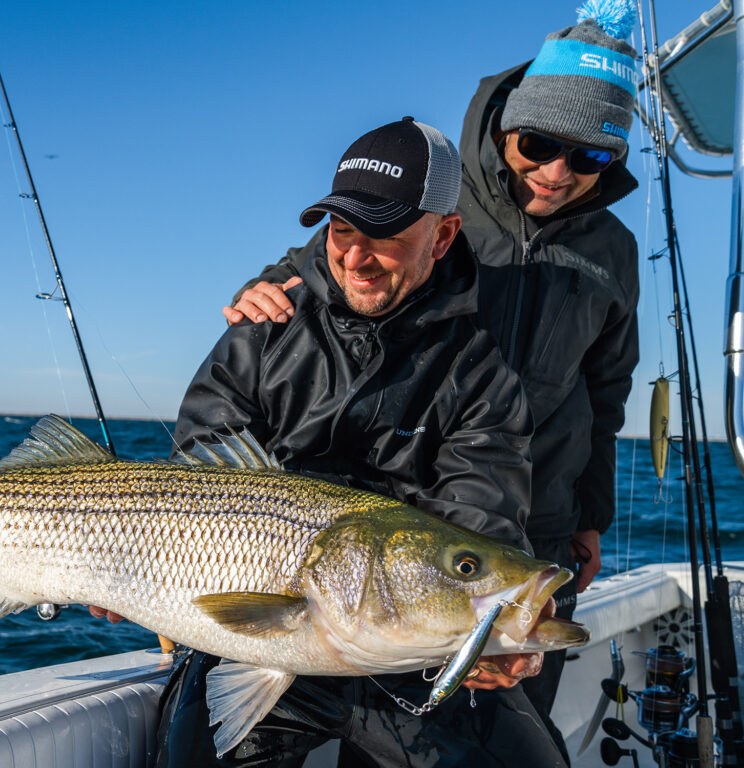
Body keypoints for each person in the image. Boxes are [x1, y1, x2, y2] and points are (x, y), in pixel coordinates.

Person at [223, 7, 640, 752]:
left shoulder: (615, 251)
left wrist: (590, 515)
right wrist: (262, 288)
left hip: (534, 526)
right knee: (383, 717)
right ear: (507, 126)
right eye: (539, 145)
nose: (555, 173)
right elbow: (330, 256)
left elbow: (605, 394)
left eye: (590, 160)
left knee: (503, 714)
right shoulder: (441, 204)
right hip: (417, 521)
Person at [155, 118, 567, 767]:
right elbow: (197, 479)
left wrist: (491, 630)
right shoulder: (261, 331)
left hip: (407, 652)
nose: (355, 255)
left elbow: (478, 520)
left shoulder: (480, 377)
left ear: (444, 235)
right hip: (257, 630)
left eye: (385, 235)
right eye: (343, 230)